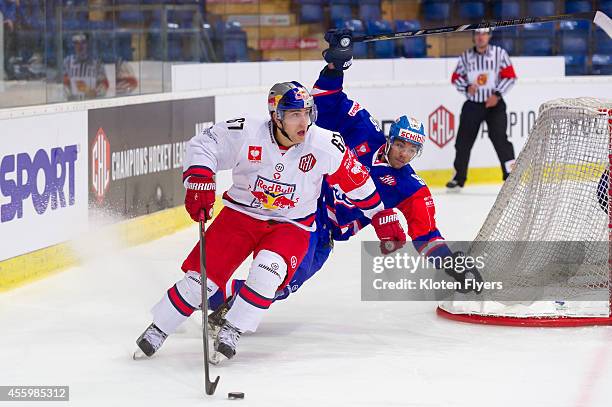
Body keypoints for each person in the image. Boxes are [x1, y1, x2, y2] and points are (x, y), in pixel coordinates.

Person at [210, 29, 483, 324]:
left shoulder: (410, 188)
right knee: (281, 271)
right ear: (390, 138)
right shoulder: (364, 129)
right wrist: (336, 66)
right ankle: (212, 302)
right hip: (307, 208)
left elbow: (426, 235)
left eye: (411, 149)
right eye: (401, 144)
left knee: (285, 285)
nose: (404, 154)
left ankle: (215, 299)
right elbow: (328, 101)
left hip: (328, 234)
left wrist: (452, 264)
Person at [135, 81, 405, 364]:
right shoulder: (247, 132)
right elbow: (205, 144)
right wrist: (200, 178)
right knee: (199, 283)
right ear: (276, 116)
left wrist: (379, 215)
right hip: (240, 216)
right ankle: (158, 328)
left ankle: (233, 329)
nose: (305, 121)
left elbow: (358, 182)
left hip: (292, 225)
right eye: (295, 115)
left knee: (268, 275)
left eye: (307, 112)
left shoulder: (325, 144)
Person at [446, 27, 518, 191]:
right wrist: (466, 87)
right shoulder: (466, 57)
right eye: (477, 34)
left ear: (489, 36)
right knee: (463, 142)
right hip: (473, 104)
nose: (480, 37)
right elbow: (456, 77)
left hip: (495, 104)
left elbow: (510, 76)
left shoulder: (499, 54)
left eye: (484, 33)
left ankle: (510, 176)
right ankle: (458, 177)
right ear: (473, 37)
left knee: (501, 139)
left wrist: (497, 94)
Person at [62, 32, 109, 101]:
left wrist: (96, 93)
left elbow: (104, 84)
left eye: (83, 42)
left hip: (92, 104)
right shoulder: (67, 62)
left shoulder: (96, 63)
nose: (80, 46)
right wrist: (69, 96)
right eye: (76, 43)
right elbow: (63, 85)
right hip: (73, 105)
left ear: (88, 44)